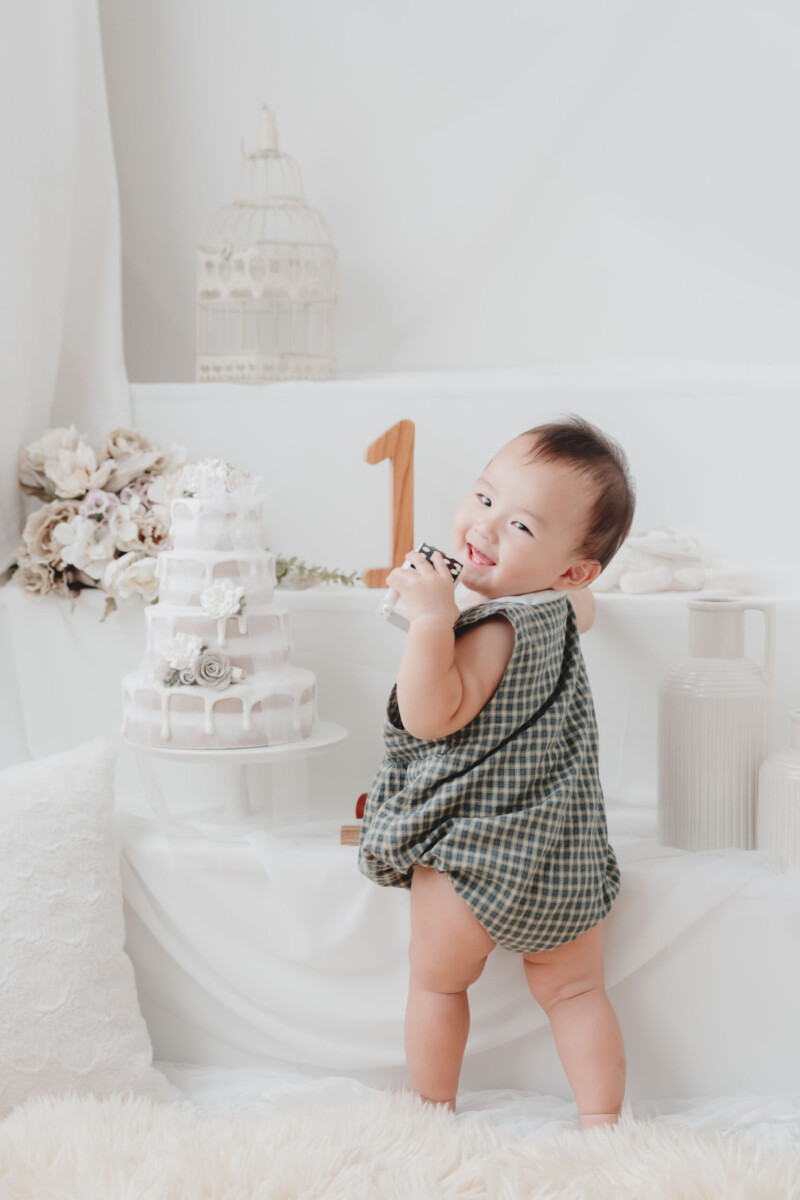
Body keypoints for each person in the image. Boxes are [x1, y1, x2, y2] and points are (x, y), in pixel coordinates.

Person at [358, 414, 636, 1130]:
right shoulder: (561, 606)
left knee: (438, 987)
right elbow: (585, 607)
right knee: (576, 994)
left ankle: (433, 1113)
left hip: (472, 858)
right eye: (484, 498)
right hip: (561, 857)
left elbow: (430, 715)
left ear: (571, 566)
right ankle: (602, 1122)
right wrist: (565, 584)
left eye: (519, 526)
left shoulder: (486, 630)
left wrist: (431, 620)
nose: (483, 526)